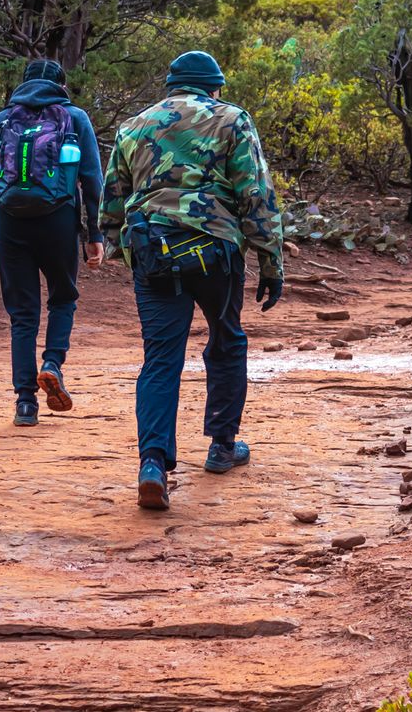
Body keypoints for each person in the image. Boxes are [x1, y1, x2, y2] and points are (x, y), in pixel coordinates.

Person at [101, 50, 284, 510]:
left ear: (171, 86)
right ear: (215, 86)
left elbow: (113, 201)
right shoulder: (232, 119)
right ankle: (222, 446)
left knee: (160, 359)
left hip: (153, 251)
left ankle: (152, 464)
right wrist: (270, 261)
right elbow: (255, 194)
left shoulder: (134, 125)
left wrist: (127, 254)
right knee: (226, 341)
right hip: (215, 250)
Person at [0, 58, 104, 426]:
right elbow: (92, 179)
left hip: (9, 221)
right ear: (61, 86)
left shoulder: (2, 120)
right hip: (58, 219)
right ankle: (52, 363)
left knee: (23, 314)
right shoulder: (75, 118)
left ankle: (25, 403)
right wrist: (95, 234)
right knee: (63, 298)